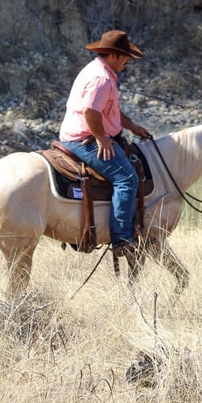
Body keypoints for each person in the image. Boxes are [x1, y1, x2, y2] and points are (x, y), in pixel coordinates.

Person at [59, 30, 151, 254]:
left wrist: (133, 127)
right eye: (126, 56)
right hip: (84, 139)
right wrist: (101, 138)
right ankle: (122, 240)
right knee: (127, 178)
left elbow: (110, 112)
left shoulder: (99, 70)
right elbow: (91, 111)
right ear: (114, 55)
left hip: (83, 133)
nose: (128, 61)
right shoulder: (101, 79)